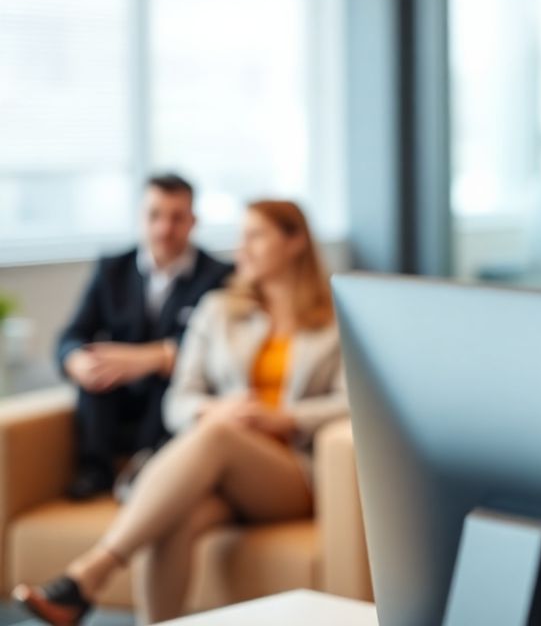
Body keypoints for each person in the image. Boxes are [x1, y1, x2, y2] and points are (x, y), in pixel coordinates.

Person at [15, 200, 349, 625]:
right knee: (172, 519)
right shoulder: (217, 311)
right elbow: (179, 402)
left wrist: (285, 418)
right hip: (217, 468)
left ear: (295, 241)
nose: (240, 249)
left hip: (288, 473)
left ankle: (88, 575)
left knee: (217, 435)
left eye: (255, 236)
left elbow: (350, 402)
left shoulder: (334, 320)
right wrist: (217, 408)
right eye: (240, 236)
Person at [56, 174, 233, 501]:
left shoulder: (219, 276)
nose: (164, 228)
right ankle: (95, 471)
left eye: (177, 218)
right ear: (141, 217)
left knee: (174, 382)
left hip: (168, 397)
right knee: (99, 369)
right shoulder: (111, 270)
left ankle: (151, 469)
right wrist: (76, 360)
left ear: (193, 221)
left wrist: (152, 358)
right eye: (155, 215)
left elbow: (220, 353)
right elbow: (71, 335)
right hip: (117, 399)